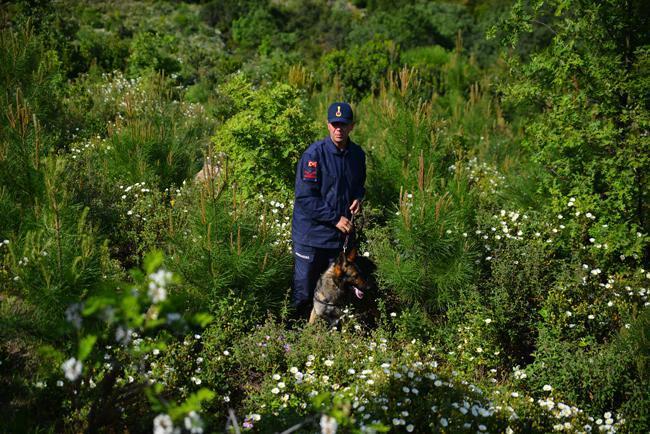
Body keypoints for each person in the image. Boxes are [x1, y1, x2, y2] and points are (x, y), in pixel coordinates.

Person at [291, 102, 366, 320]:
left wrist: (358, 198)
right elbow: (305, 197)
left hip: (338, 237)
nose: (338, 128)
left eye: (343, 124)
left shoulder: (357, 155)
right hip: (311, 235)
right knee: (305, 291)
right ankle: (295, 338)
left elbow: (359, 185)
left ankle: (327, 337)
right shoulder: (314, 155)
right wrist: (335, 218)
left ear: (351, 126)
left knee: (335, 292)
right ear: (328, 125)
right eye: (334, 124)